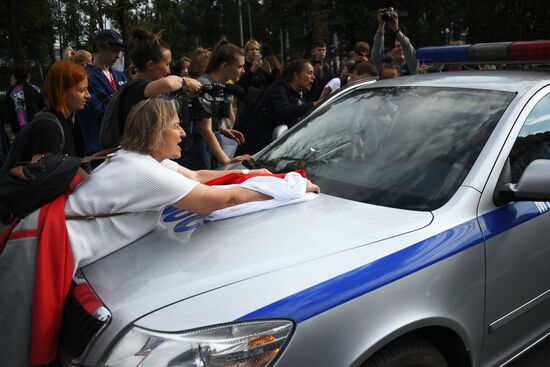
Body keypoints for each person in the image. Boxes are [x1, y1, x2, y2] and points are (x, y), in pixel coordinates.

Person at [65, 97, 320, 269]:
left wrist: (251, 175)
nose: (183, 133)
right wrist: (289, 187)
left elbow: (196, 176)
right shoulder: (143, 170)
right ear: (157, 131)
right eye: (176, 126)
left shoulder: (138, 159)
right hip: (56, 250)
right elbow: (219, 201)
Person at [102, 28, 201, 149]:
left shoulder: (139, 87)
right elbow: (168, 84)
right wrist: (186, 81)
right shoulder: (134, 88)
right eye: (167, 64)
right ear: (151, 65)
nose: (169, 70)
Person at [2, 61, 90, 172]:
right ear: (61, 91)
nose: (88, 95)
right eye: (81, 90)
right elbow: (42, 176)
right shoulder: (49, 127)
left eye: (87, 89)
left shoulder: (65, 120)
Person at [189, 40, 251, 169]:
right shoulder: (207, 86)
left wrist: (222, 130)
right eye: (239, 67)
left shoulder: (217, 86)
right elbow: (204, 129)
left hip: (208, 144)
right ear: (224, 66)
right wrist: (227, 160)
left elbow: (205, 120)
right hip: (198, 147)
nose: (243, 71)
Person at [237, 59, 318, 155]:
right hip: (254, 148)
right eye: (309, 73)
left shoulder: (294, 94)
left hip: (269, 148)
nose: (313, 77)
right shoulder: (279, 87)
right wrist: (314, 105)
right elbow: (285, 111)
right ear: (296, 75)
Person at [77, 29, 129, 155]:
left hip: (122, 147)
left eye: (120, 50)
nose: (118, 54)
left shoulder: (121, 76)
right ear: (100, 47)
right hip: (99, 150)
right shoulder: (86, 77)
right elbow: (105, 110)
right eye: (114, 49)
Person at [371, 8, 419, 76]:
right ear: (388, 52)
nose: (401, 48)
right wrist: (381, 25)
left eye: (402, 46)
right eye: (397, 46)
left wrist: (396, 29)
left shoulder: (412, 67)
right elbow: (377, 50)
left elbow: (407, 46)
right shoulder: (382, 67)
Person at [6, 65, 45, 134]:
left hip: (20, 130)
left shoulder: (11, 92)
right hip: (37, 127)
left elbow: (11, 114)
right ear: (28, 75)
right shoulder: (36, 89)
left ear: (15, 77)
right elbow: (43, 107)